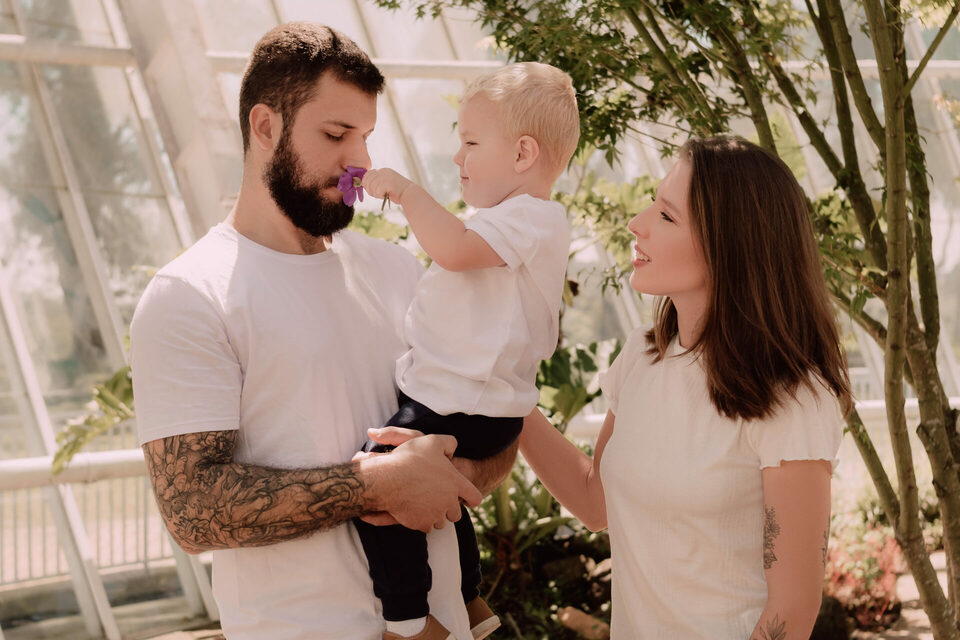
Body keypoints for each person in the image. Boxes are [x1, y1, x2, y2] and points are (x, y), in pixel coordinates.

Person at [129, 22, 518, 640]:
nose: (359, 161)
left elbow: (489, 414)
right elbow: (191, 511)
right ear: (265, 127)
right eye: (336, 134)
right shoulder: (189, 296)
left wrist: (453, 476)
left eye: (365, 136)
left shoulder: (400, 271)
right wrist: (376, 485)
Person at [519, 136, 851, 639]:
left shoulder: (792, 399)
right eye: (652, 204)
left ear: (729, 246)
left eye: (667, 216)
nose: (638, 223)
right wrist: (505, 399)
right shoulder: (642, 355)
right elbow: (594, 501)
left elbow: (792, 608)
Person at [356, 62, 578, 640]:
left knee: (381, 479)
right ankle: (470, 601)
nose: (457, 157)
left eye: (471, 142)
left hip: (463, 404)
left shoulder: (529, 218)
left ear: (523, 153)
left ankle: (408, 620)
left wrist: (406, 192)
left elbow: (454, 250)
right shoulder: (515, 223)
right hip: (475, 405)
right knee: (443, 492)